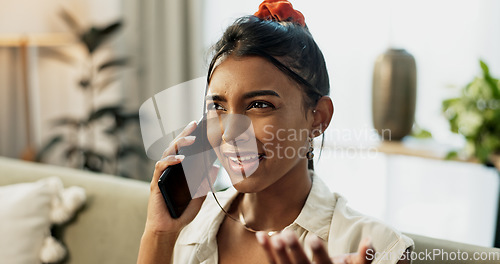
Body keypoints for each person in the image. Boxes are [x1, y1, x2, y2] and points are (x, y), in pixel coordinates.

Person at [137, 1, 414, 263]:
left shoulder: (378, 250)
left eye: (259, 105)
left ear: (318, 118)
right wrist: (159, 234)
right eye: (217, 107)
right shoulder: (187, 224)